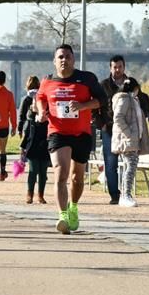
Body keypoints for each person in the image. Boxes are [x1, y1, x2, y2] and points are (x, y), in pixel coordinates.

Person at [36, 44, 108, 235]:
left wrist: (83, 105)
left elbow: (102, 100)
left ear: (73, 60)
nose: (63, 60)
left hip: (82, 133)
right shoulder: (47, 81)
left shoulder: (87, 78)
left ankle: (73, 206)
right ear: (54, 61)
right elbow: (40, 97)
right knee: (61, 173)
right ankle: (62, 215)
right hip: (57, 132)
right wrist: (41, 111)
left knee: (77, 178)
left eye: (67, 56)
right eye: (60, 57)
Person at [111, 78, 149, 208]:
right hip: (128, 140)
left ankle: (125, 194)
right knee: (131, 167)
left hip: (132, 140)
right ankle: (126, 195)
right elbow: (118, 117)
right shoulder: (125, 99)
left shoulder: (133, 100)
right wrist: (129, 134)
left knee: (129, 167)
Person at [98, 54, 128, 204]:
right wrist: (101, 124)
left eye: (120, 67)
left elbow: (139, 103)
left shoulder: (131, 84)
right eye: (115, 67)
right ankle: (114, 195)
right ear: (110, 68)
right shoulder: (103, 85)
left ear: (124, 67)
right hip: (109, 129)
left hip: (128, 130)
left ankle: (127, 192)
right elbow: (95, 106)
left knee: (130, 162)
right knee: (111, 164)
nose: (117, 69)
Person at [18, 75, 49, 204]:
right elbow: (28, 131)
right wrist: (23, 146)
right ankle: (30, 194)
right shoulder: (30, 115)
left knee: (43, 172)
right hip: (32, 144)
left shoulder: (48, 112)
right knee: (33, 170)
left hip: (45, 143)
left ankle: (40, 195)